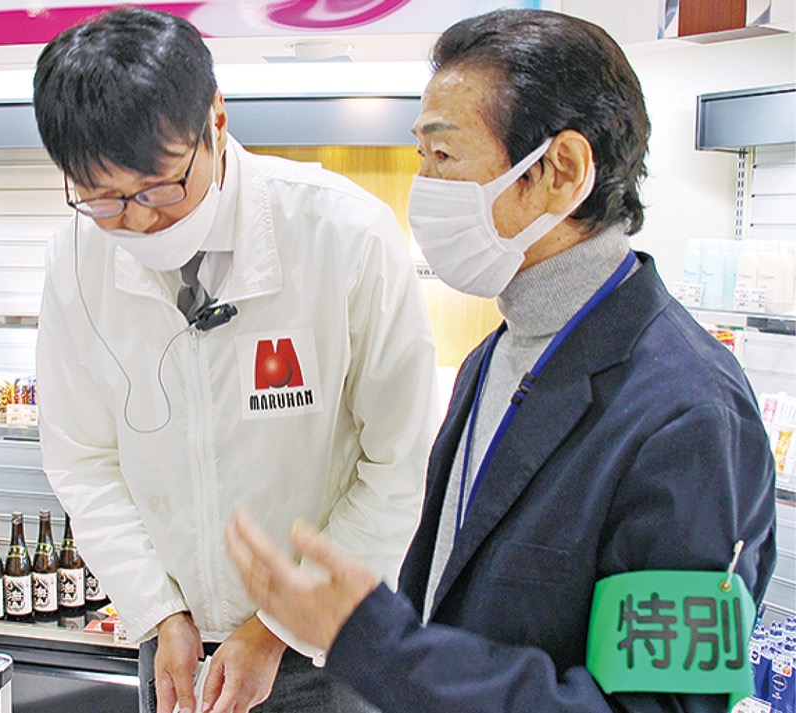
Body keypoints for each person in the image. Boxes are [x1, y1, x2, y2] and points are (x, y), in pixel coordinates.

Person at [226, 8, 777, 712]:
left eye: (444, 156)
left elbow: (659, 708)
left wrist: (376, 642)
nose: (423, 185)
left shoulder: (690, 415)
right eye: (422, 157)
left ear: (561, 171)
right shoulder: (495, 354)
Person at [32, 7, 437, 712]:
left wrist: (276, 625)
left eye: (160, 187)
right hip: (174, 642)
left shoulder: (344, 234)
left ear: (216, 121)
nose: (139, 220)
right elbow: (82, 459)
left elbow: (400, 463)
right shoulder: (74, 258)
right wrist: (159, 610)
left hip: (331, 639)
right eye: (102, 200)